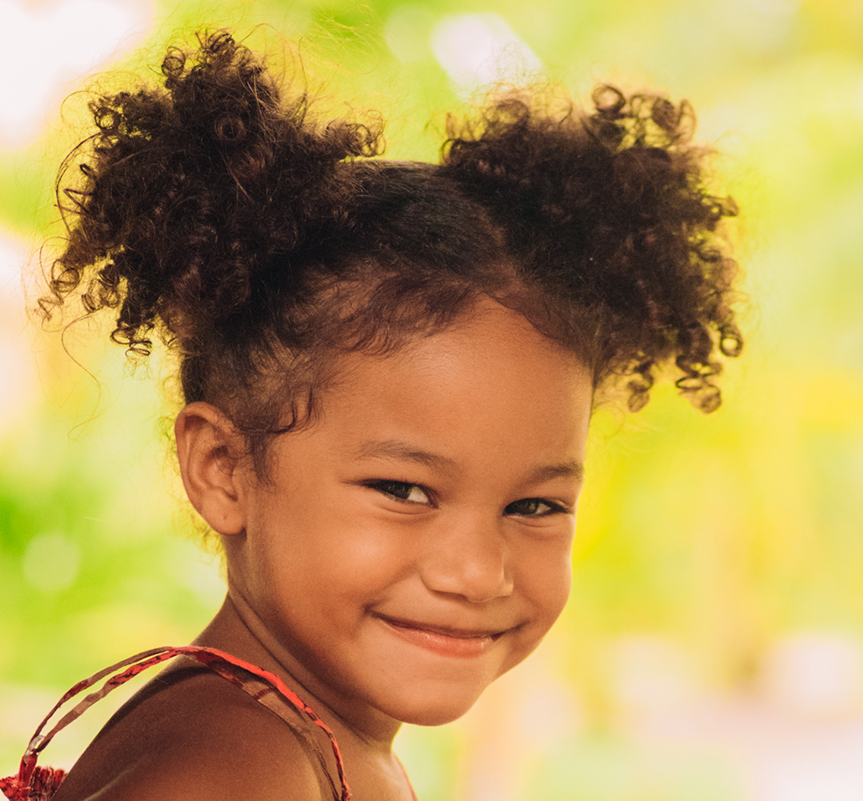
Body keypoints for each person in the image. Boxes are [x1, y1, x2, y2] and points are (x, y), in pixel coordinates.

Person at [7, 28, 743, 801]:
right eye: (403, 490)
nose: (476, 571)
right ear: (223, 468)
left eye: (534, 504)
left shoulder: (300, 739)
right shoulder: (234, 773)